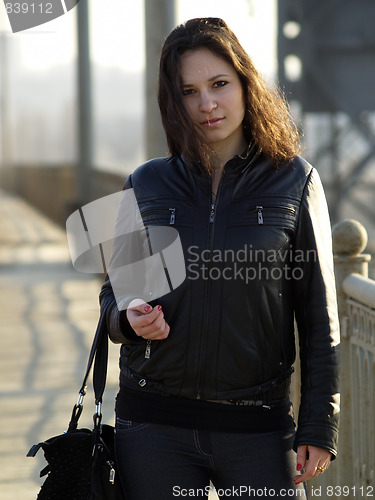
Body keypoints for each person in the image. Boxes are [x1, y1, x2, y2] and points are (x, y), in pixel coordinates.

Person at [99, 17, 340, 499]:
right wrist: (129, 319)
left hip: (257, 429)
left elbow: (319, 317)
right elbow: (113, 300)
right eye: (189, 91)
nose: (206, 104)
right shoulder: (144, 184)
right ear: (174, 102)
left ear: (246, 85)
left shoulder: (295, 181)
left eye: (219, 84)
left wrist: (319, 426)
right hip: (152, 424)